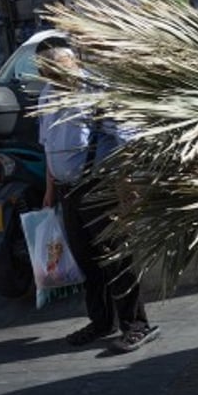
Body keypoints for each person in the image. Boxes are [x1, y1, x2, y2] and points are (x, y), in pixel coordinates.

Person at [37, 37, 161, 352]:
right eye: (43, 68)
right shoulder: (46, 95)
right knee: (86, 261)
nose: (50, 73)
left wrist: (126, 188)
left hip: (99, 187)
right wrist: (50, 190)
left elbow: (124, 141)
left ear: (72, 60)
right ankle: (101, 321)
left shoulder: (96, 91)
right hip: (68, 191)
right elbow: (47, 145)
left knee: (115, 258)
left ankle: (136, 324)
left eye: (55, 65)